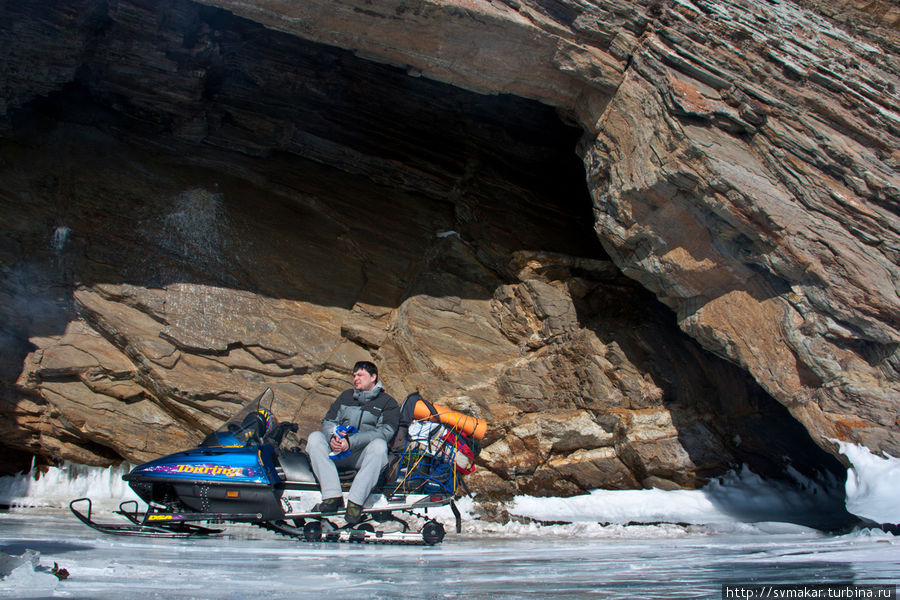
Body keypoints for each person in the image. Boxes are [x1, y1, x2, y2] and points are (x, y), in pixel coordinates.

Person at [306, 361, 400, 525]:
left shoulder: (387, 403)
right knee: (315, 438)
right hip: (337, 451)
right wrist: (332, 438)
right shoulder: (346, 397)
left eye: (360, 375)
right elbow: (329, 421)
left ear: (373, 377)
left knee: (379, 446)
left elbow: (385, 432)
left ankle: (355, 503)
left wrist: (351, 441)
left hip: (362, 456)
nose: (355, 378)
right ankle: (331, 497)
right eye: (354, 375)